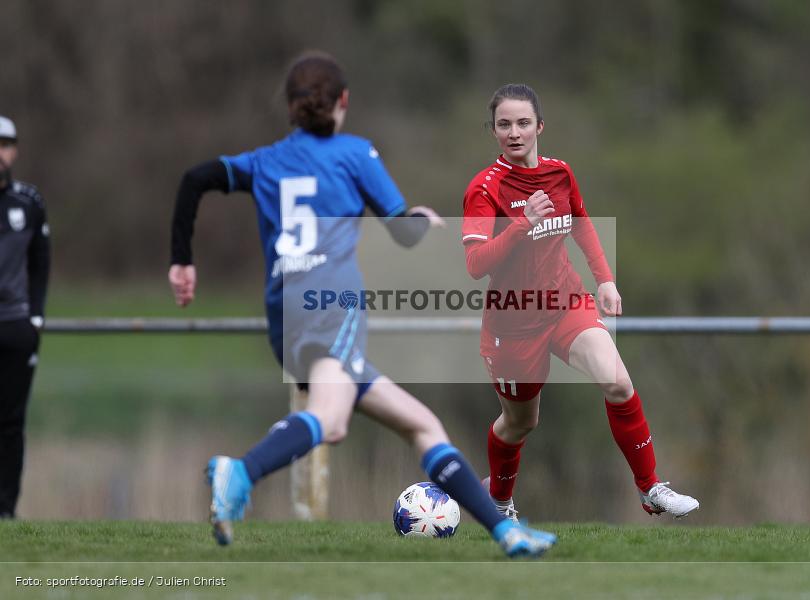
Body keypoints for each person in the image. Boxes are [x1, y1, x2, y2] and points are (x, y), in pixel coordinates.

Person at [168, 52, 555, 557]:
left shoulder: (264, 161)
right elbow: (404, 232)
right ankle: (240, 471)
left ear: (290, 108)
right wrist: (424, 218)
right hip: (331, 304)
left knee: (421, 425)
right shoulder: (354, 155)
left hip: (285, 314)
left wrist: (182, 261)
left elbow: (194, 180)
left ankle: (507, 534)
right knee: (332, 420)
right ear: (344, 103)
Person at [462, 84, 699, 522]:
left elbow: (582, 222)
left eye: (523, 123)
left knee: (619, 384)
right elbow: (475, 264)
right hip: (513, 323)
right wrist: (519, 226)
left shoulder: (560, 173)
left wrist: (604, 280)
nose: (514, 132)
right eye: (504, 125)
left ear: (540, 127)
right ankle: (498, 501)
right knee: (520, 424)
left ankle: (650, 488)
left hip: (566, 302)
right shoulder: (485, 189)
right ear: (493, 131)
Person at [0, 115, 50, 519]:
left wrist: (36, 319)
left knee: (12, 423)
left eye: (5, 144)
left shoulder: (28, 203)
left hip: (16, 327)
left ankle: (7, 510)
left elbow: (41, 265)